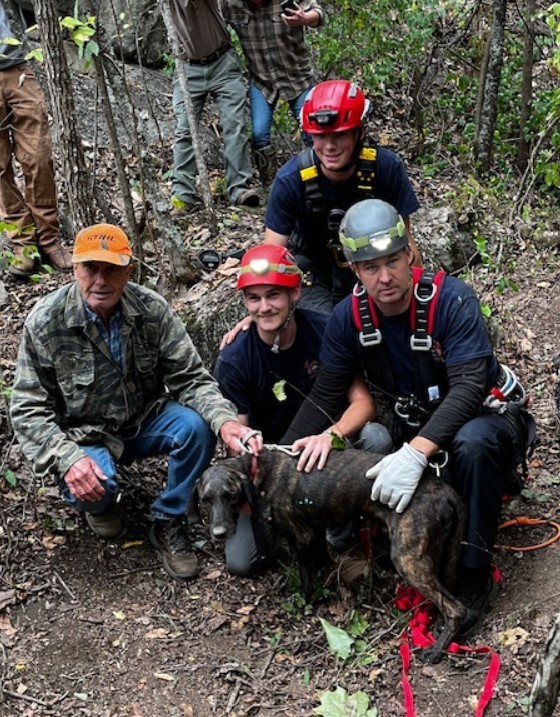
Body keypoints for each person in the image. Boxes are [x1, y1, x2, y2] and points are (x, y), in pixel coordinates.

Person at [281, 198, 535, 638]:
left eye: (393, 262)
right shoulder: (349, 318)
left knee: (472, 444)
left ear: (409, 254)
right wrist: (275, 457)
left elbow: (471, 386)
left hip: (485, 420)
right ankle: (393, 549)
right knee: (381, 442)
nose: (385, 277)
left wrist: (416, 453)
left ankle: (474, 571)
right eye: (370, 267)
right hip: (418, 426)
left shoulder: (451, 300)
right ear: (354, 270)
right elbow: (325, 392)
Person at [9, 223, 263, 581]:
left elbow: (190, 377)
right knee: (96, 490)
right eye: (90, 268)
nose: (100, 280)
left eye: (111, 269)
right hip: (85, 436)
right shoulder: (47, 321)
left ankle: (168, 518)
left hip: (144, 419)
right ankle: (96, 501)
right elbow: (26, 407)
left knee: (195, 428)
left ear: (129, 270)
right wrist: (68, 459)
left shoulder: (151, 310)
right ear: (75, 269)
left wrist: (226, 422)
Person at [213, 242, 392, 575]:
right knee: (244, 562)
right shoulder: (235, 357)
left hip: (328, 455)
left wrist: (330, 436)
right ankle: (292, 525)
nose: (264, 307)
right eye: (254, 298)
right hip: (273, 469)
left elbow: (363, 404)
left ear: (295, 294)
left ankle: (343, 533)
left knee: (375, 438)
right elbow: (236, 437)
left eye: (274, 295)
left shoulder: (325, 331)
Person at [265, 79, 422, 312]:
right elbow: (272, 256)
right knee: (325, 331)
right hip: (312, 271)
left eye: (340, 135)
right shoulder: (291, 180)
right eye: (320, 136)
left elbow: (405, 243)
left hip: (371, 265)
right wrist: (262, 316)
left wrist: (423, 302)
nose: (329, 146)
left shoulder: (386, 169)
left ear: (359, 133)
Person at [0, 0, 72, 277]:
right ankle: (24, 245)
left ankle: (50, 240)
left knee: (39, 158)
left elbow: (38, 6)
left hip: (20, 67)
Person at [168, 0, 260, 210]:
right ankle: (183, 195)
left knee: (234, 125)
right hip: (187, 67)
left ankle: (239, 189)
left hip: (223, 61)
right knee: (184, 131)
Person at [222, 0, 323, 184]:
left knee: (313, 131)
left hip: (297, 77)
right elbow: (211, 21)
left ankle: (321, 179)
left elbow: (318, 14)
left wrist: (304, 18)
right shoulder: (230, 4)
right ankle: (272, 186)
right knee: (259, 135)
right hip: (262, 80)